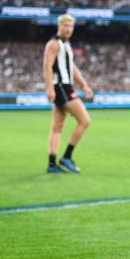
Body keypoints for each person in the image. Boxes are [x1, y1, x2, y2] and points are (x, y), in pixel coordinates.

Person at [43, 14, 93, 173]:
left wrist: (84, 84)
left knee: (57, 127)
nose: (68, 29)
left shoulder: (66, 45)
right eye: (65, 25)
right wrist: (50, 88)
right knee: (85, 121)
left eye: (71, 26)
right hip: (62, 88)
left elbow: (71, 67)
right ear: (59, 26)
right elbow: (47, 66)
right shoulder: (54, 44)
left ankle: (52, 165)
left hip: (65, 87)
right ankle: (66, 156)